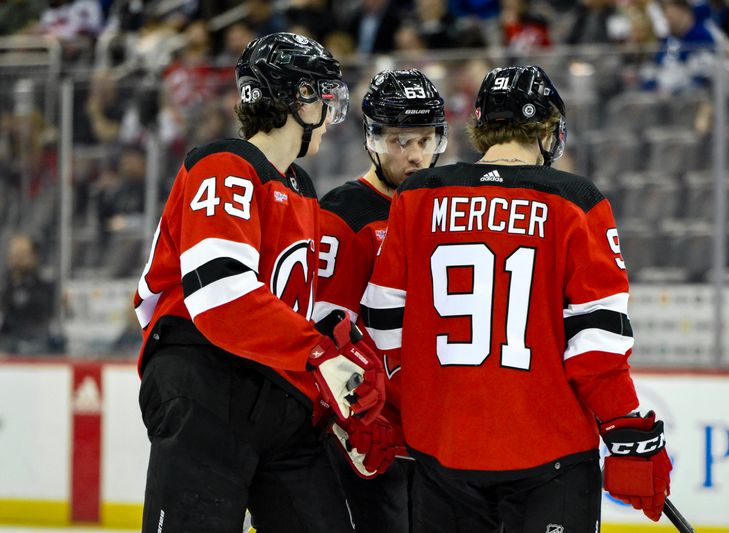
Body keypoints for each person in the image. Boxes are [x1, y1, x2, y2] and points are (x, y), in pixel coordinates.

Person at [360, 65, 673, 532]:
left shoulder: (418, 196)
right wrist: (626, 426)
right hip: (551, 459)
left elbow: (383, 319)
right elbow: (596, 344)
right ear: (548, 129)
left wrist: (427, 405)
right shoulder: (577, 200)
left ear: (481, 126)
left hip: (443, 455)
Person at [132, 32, 385, 533]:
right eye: (320, 94)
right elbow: (220, 294)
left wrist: (345, 380)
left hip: (277, 394)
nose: (331, 110)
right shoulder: (224, 164)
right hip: (205, 379)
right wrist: (319, 355)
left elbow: (294, 309)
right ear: (293, 99)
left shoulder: (301, 188)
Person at [312, 69, 448, 533]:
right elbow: (323, 331)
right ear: (372, 139)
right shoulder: (344, 214)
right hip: (371, 433)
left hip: (433, 431)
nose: (414, 156)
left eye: (425, 140)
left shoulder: (444, 207)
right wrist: (353, 417)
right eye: (399, 141)